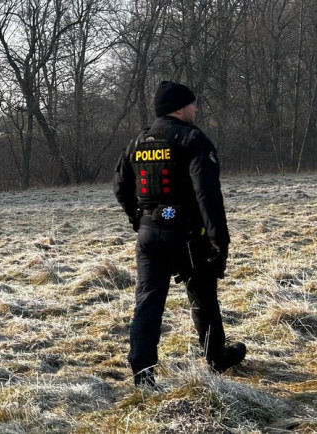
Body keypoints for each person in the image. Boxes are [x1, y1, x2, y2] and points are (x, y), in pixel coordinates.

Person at [113, 81, 245, 388]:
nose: (196, 109)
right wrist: (219, 242)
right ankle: (216, 358)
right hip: (188, 236)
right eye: (192, 104)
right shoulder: (192, 139)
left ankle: (142, 374)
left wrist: (139, 218)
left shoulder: (138, 142)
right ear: (178, 108)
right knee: (203, 296)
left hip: (149, 234)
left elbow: (120, 187)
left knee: (148, 301)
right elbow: (208, 195)